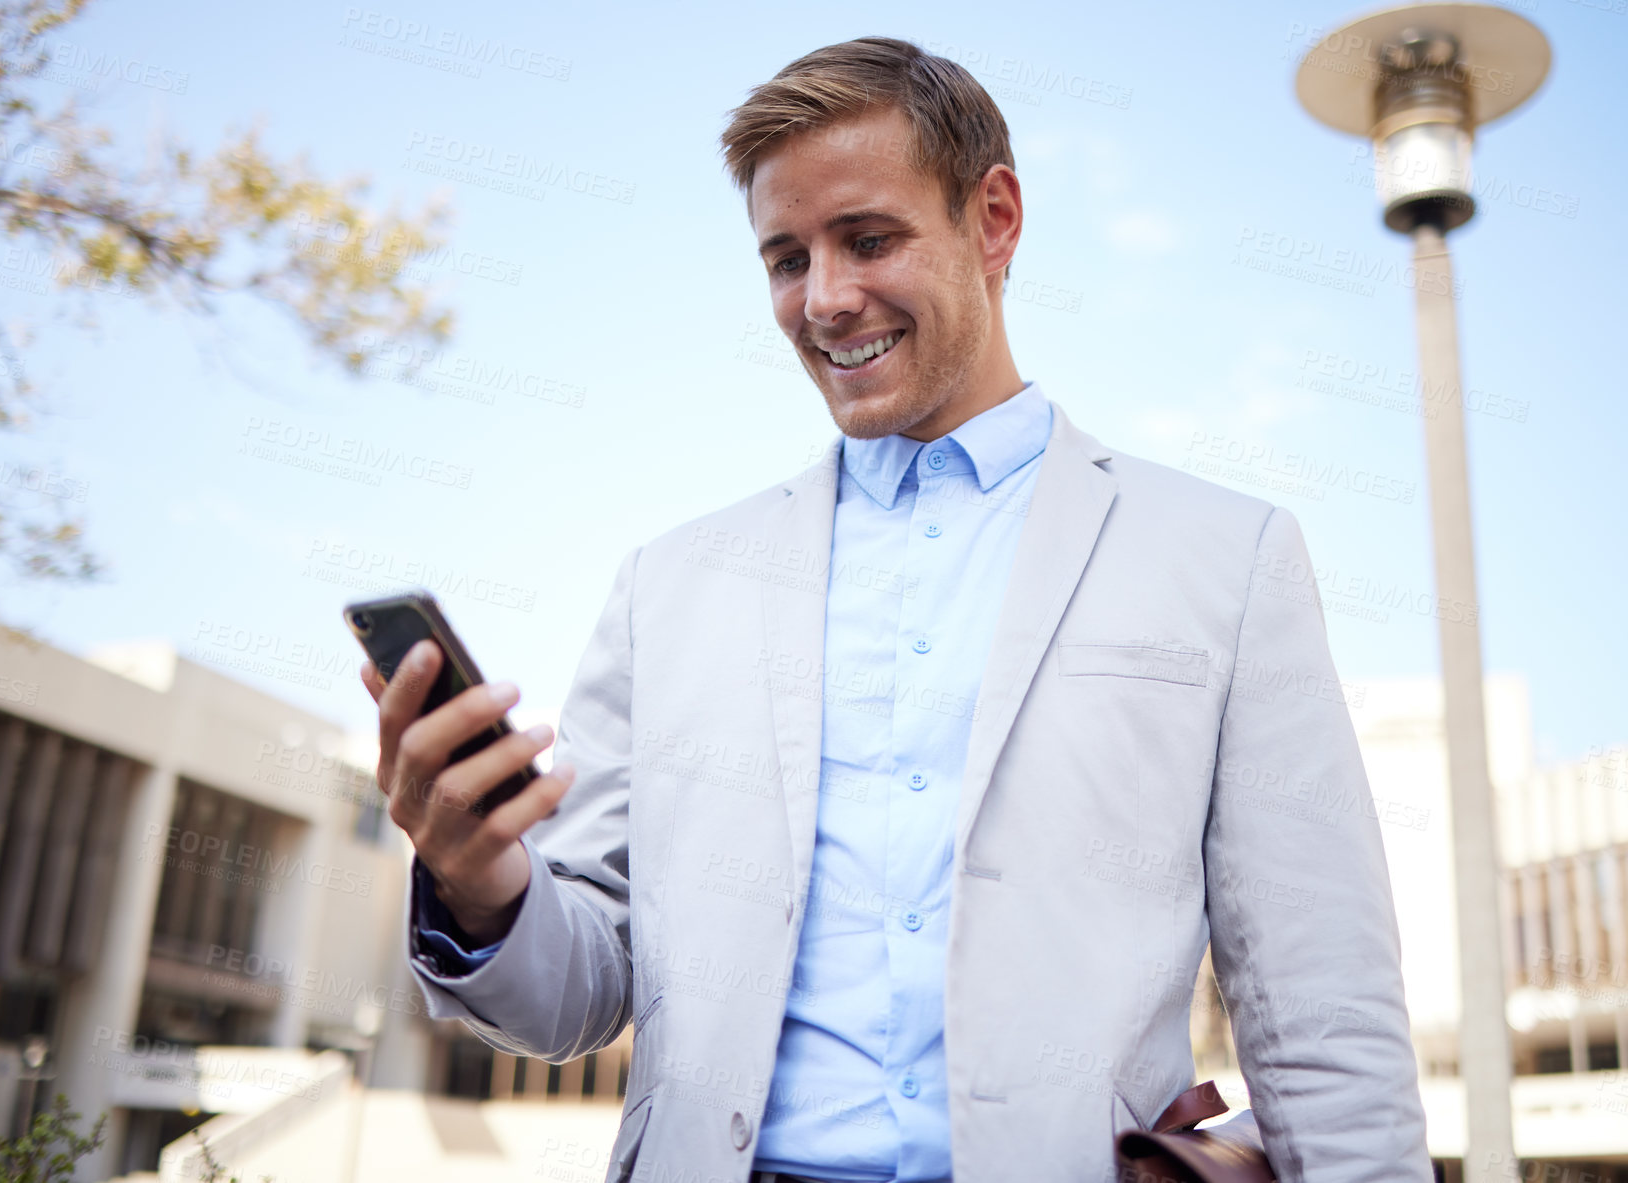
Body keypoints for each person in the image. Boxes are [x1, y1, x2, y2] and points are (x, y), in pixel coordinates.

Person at [362, 36, 1431, 1183]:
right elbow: (575, 997)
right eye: (785, 258)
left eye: (867, 239)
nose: (823, 300)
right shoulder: (667, 588)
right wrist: (480, 880)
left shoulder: (1225, 558)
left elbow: (1323, 1016)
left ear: (995, 219)